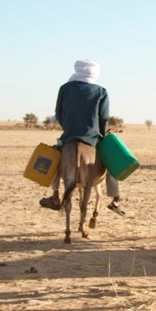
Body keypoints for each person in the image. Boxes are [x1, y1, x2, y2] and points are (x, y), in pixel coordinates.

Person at [38, 59, 126, 217]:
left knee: (54, 160)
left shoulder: (65, 88)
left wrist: (68, 128)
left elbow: (59, 112)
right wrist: (101, 134)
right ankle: (115, 198)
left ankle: (55, 195)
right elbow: (104, 117)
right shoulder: (101, 91)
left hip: (69, 136)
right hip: (92, 138)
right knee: (112, 160)